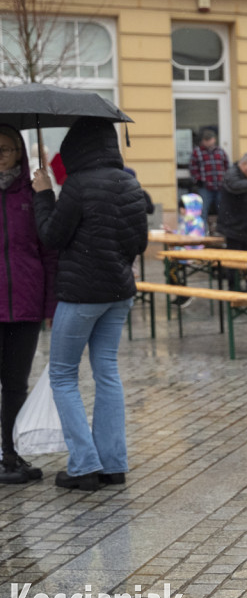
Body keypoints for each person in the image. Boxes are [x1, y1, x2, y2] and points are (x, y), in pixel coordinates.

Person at [31, 117, 149, 491]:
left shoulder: (79, 185)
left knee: (63, 375)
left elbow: (52, 235)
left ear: (76, 147)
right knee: (107, 373)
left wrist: (43, 194)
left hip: (81, 295)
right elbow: (139, 243)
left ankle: (83, 465)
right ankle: (113, 464)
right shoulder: (129, 182)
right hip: (119, 294)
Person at [0, 125, 57, 485]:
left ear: (19, 152)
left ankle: (11, 453)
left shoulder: (33, 192)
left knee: (15, 382)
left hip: (25, 302)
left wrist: (51, 307)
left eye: (5, 149)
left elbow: (49, 251)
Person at [189, 128, 229, 226]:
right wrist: (197, 180)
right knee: (203, 211)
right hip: (205, 187)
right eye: (205, 140)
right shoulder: (197, 152)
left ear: (214, 139)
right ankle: (202, 232)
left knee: (223, 210)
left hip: (220, 186)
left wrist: (226, 180)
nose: (208, 142)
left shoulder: (220, 151)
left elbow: (226, 166)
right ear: (202, 141)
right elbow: (193, 168)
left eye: (209, 139)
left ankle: (221, 231)